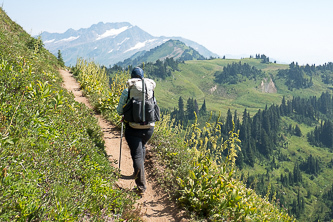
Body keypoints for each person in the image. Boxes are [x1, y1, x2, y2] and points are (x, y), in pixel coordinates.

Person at [116, 67, 156, 194]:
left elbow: (119, 111)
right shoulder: (149, 89)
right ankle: (138, 172)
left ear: (132, 77)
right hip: (149, 127)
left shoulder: (128, 90)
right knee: (142, 147)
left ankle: (141, 187)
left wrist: (126, 114)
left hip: (133, 128)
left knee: (136, 154)